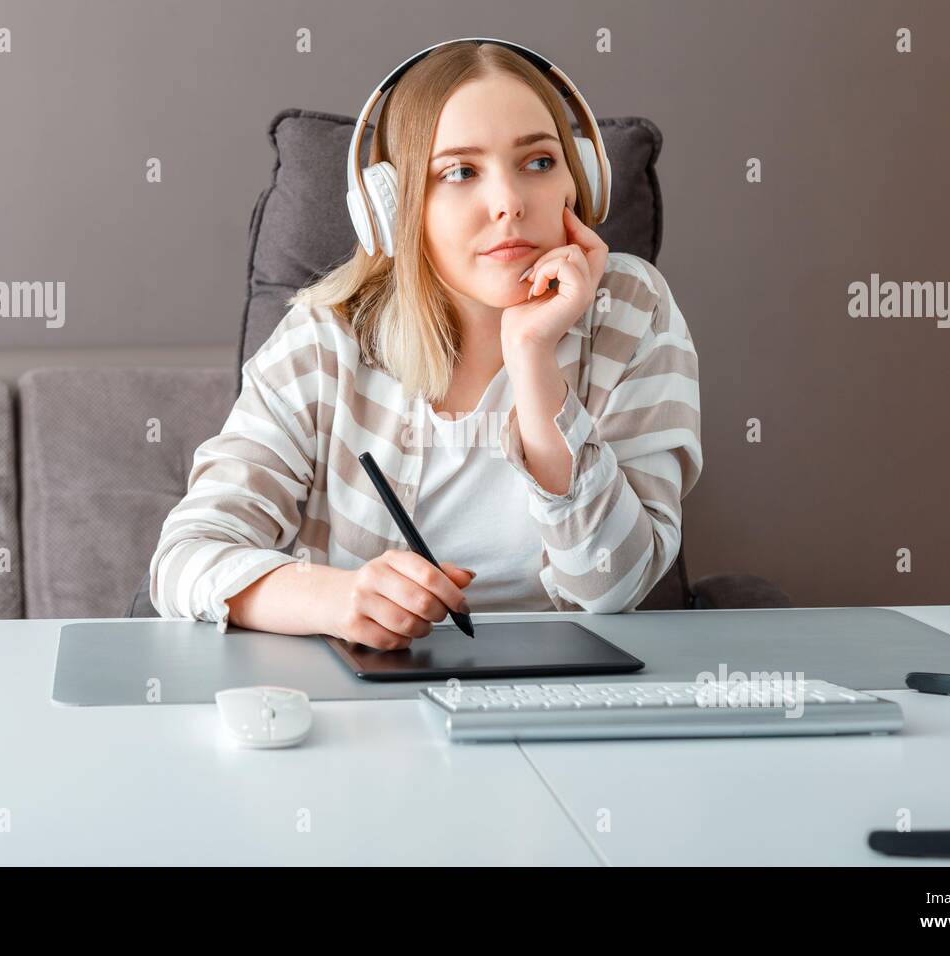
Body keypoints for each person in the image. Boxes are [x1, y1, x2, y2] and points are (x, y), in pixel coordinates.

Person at [149, 40, 702, 650]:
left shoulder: (630, 308)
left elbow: (613, 586)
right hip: (372, 706)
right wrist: (337, 599)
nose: (509, 203)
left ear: (581, 181)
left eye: (539, 162)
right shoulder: (325, 340)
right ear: (394, 206)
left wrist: (533, 359)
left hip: (569, 694)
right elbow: (183, 561)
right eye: (461, 172)